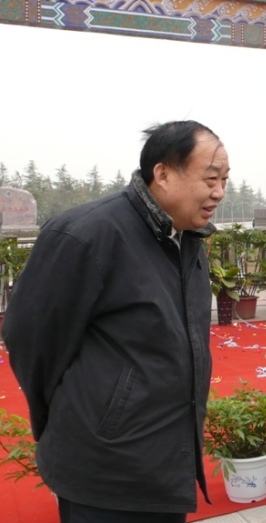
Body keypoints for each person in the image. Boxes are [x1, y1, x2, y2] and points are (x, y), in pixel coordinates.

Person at [3, 120, 229, 523]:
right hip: (104, 469)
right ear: (162, 174)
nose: (219, 192)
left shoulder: (187, 239)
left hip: (163, 464)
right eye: (210, 179)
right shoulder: (87, 234)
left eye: (225, 180)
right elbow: (31, 338)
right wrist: (78, 419)